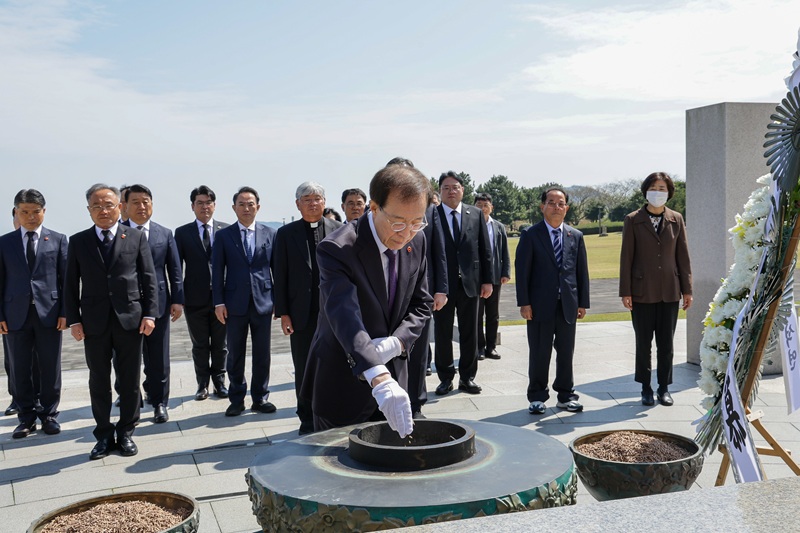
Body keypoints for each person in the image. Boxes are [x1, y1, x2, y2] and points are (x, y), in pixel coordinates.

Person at [301, 162, 432, 436]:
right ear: (374, 208)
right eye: (398, 222)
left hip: (396, 382)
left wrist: (397, 343)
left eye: (416, 222)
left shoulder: (416, 241)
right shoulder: (338, 248)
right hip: (344, 385)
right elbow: (344, 315)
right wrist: (377, 373)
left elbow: (421, 304)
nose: (406, 232)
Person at [64, 184, 158, 460]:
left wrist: (150, 314)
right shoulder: (79, 241)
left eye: (108, 205)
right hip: (93, 322)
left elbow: (148, 278)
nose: (103, 211)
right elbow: (70, 284)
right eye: (96, 206)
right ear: (89, 210)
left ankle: (126, 431)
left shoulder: (136, 236)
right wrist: (74, 321)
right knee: (99, 380)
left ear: (120, 207)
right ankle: (103, 434)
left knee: (129, 380)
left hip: (130, 318)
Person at [273, 182, 341, 434]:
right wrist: (283, 313)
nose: (313, 203)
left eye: (317, 198)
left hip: (334, 312)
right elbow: (279, 275)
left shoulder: (339, 229)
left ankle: (333, 413)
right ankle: (307, 417)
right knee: (303, 366)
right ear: (297, 204)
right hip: (301, 313)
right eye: (307, 199)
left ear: (324, 202)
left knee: (334, 364)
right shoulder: (286, 234)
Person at [619, 172, 692, 407]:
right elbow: (626, 258)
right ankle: (645, 388)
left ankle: (663, 387)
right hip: (642, 291)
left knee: (666, 344)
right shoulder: (633, 219)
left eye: (662, 188)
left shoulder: (676, 219)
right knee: (643, 343)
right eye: (654, 188)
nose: (658, 192)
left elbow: (683, 256)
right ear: (646, 191)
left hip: (670, 290)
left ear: (669, 192)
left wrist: (687, 290)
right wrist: (626, 291)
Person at [0, 189, 68, 438]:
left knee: (50, 366)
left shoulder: (58, 240)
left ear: (44, 212)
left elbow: (65, 281)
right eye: (24, 211)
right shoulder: (5, 242)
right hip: (14, 314)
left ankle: (49, 415)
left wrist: (65, 312)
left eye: (35, 211)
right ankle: (25, 417)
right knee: (19, 368)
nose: (30, 216)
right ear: (16, 212)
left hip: (49, 313)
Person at [516, 187, 589, 415]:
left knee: (566, 352)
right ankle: (537, 396)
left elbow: (581, 272)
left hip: (567, 304)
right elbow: (522, 271)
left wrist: (582, 302)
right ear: (542, 207)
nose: (556, 207)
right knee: (540, 351)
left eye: (561, 203)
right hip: (539, 306)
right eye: (551, 202)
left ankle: (566, 395)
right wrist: (524, 303)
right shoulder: (530, 234)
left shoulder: (575, 236)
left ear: (566, 208)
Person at [387, 158, 448, 419]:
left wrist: (441, 288)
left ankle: (416, 403)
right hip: (388, 294)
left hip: (419, 291)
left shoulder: (431, 210)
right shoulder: (381, 208)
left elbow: (439, 251)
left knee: (419, 351)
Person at [212, 186, 277, 417]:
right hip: (234, 303)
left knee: (263, 353)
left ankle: (260, 397)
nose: (246, 208)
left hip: (263, 301)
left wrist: (278, 301)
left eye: (251, 204)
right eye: (242, 204)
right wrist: (218, 302)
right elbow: (217, 271)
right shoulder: (223, 236)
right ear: (234, 208)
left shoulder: (270, 234)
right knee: (235, 352)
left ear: (258, 207)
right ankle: (236, 398)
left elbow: (276, 269)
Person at [122, 185, 184, 423]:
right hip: (126, 306)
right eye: (135, 202)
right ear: (125, 206)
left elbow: (174, 270)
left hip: (158, 303)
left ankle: (159, 402)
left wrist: (178, 300)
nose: (141, 206)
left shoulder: (163, 233)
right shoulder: (118, 232)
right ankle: (131, 398)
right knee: (127, 357)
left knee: (158, 357)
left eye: (146, 201)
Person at [433, 171, 493, 396]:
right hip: (442, 286)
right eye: (446, 187)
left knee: (470, 332)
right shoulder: (432, 214)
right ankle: (445, 377)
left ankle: (468, 378)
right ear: (440, 191)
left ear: (463, 190)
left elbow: (484, 249)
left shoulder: (475, 214)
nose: (451, 191)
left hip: (471, 283)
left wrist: (487, 280)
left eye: (455, 187)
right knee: (442, 332)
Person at [174, 185, 230, 401]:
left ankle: (220, 382)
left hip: (221, 298)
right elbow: (177, 269)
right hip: (194, 298)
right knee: (199, 345)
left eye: (208, 202)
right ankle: (202, 385)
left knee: (220, 344)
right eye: (200, 203)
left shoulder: (225, 230)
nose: (204, 207)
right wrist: (177, 298)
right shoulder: (182, 232)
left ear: (214, 206)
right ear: (192, 206)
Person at [474, 193, 510, 360]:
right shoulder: (470, 225)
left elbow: (504, 251)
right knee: (476, 314)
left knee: (493, 314)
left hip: (495, 276)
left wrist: (505, 272)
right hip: (475, 278)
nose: (482, 208)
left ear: (491, 208)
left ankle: (491, 347)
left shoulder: (498, 227)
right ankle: (479, 348)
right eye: (478, 205)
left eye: (485, 205)